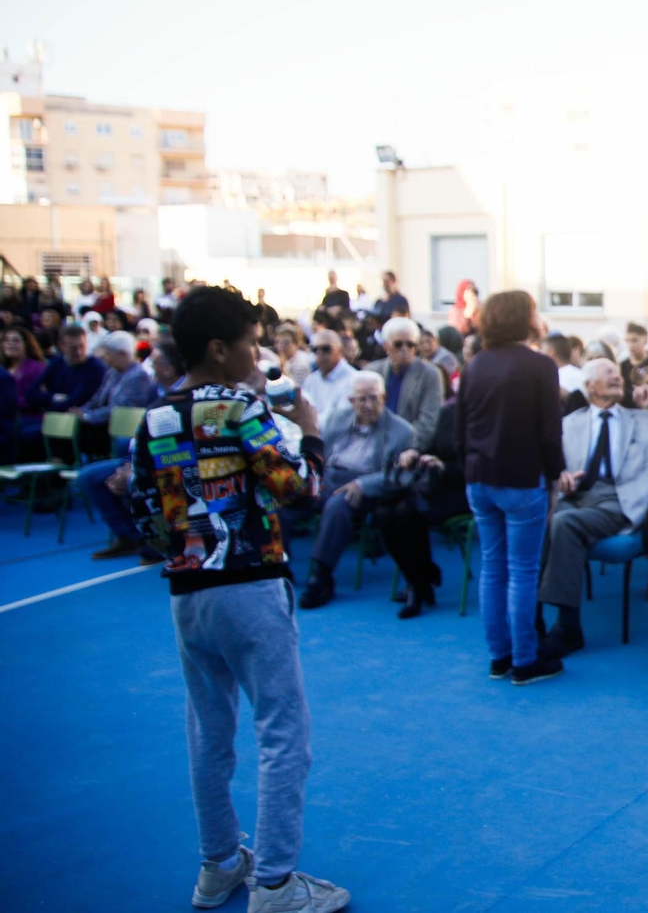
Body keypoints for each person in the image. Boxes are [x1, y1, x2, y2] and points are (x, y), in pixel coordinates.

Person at [121, 285, 349, 913]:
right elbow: (299, 486)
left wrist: (190, 539)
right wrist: (309, 433)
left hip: (188, 593)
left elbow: (143, 513)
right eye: (252, 341)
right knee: (284, 733)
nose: (259, 353)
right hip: (249, 586)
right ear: (220, 350)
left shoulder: (157, 418)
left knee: (208, 732)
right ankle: (274, 883)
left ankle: (218, 863)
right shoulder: (240, 409)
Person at [456, 290, 565, 683]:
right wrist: (555, 478)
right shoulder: (539, 366)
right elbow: (550, 433)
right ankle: (523, 659)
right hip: (521, 480)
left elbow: (460, 428)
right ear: (523, 318)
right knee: (522, 571)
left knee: (492, 568)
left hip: (479, 478)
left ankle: (499, 656)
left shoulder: (474, 365)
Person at [539, 359, 648, 659]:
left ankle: (567, 626)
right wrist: (562, 477)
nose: (617, 377)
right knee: (540, 520)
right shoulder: (570, 422)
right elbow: (553, 466)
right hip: (575, 496)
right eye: (608, 373)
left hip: (617, 501)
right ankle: (530, 620)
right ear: (590, 386)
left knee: (564, 524)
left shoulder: (642, 419)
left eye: (617, 373)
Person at [295, 372, 415, 609]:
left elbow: (400, 476)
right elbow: (321, 455)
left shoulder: (403, 431)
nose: (368, 405)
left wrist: (363, 484)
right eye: (362, 399)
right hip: (328, 478)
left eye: (374, 398)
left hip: (365, 485)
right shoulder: (337, 419)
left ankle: (320, 577)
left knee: (338, 506)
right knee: (287, 499)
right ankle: (279, 567)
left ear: (384, 397)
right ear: (351, 401)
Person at [79, 340, 183, 560]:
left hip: (168, 462)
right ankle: (130, 537)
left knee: (137, 479)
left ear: (169, 367)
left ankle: (156, 541)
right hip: (142, 457)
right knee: (89, 476)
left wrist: (135, 469)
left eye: (153, 362)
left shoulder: (182, 396)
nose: (149, 366)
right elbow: (141, 432)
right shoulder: (155, 389)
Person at [372, 390, 467, 619]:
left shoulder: (488, 418)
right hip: (433, 486)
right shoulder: (449, 412)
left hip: (465, 491)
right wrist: (417, 453)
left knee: (407, 512)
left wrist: (444, 466)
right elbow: (432, 448)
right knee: (383, 512)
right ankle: (422, 579)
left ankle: (418, 586)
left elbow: (481, 469)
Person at [363, 317, 444, 451]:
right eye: (398, 344)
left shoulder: (430, 375)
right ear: (386, 346)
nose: (405, 349)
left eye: (410, 345)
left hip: (408, 450)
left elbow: (428, 422)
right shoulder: (371, 372)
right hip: (370, 448)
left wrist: (399, 448)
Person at [22, 322, 106, 437]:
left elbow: (76, 400)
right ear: (61, 346)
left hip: (81, 424)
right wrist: (52, 397)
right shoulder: (57, 362)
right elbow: (30, 394)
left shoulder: (94, 368)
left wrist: (47, 406)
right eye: (73, 348)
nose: (78, 352)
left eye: (81, 346)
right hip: (56, 418)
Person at [300, 330, 358, 415]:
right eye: (314, 349)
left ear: (340, 351)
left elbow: (342, 418)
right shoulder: (310, 381)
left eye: (326, 349)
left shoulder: (353, 379)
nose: (319, 353)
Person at [618, 322, 648, 409]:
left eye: (634, 340)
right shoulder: (622, 366)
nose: (631, 345)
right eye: (627, 340)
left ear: (645, 340)